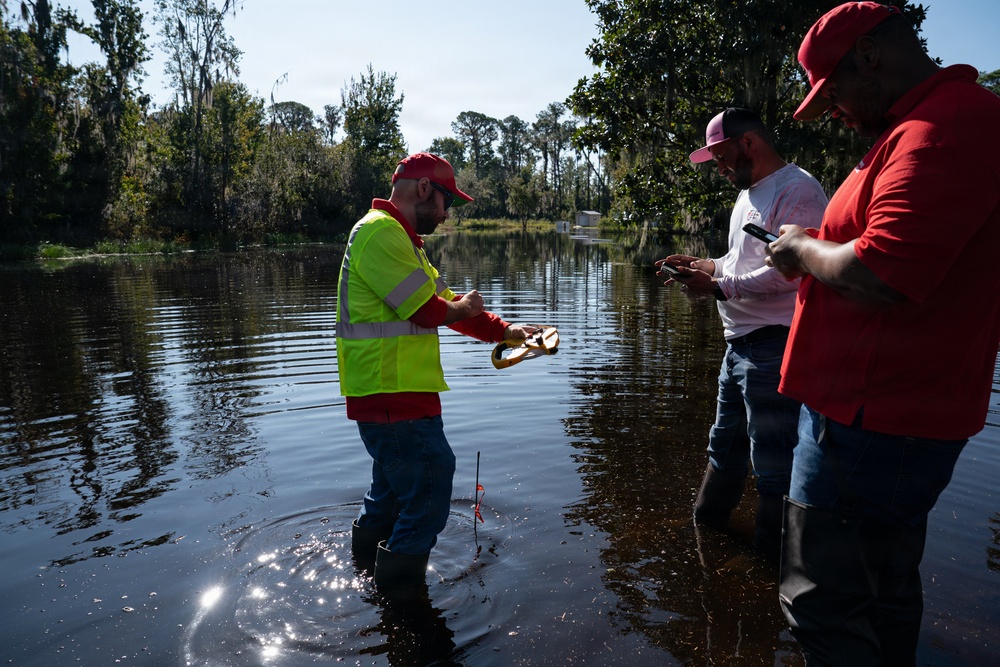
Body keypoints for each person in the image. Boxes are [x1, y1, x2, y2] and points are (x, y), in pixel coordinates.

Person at [766, 3, 1000, 665]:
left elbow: (879, 272)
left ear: (869, 54)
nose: (833, 108)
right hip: (873, 415)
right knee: (881, 590)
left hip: (870, 419)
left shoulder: (944, 127)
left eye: (832, 89)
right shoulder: (918, 128)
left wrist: (803, 249)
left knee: (824, 604)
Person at [336, 152, 534, 589]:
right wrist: (459, 307)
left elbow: (450, 308)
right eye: (448, 202)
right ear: (425, 189)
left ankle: (365, 580)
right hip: (393, 397)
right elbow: (430, 311)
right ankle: (401, 602)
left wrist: (508, 331)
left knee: (389, 497)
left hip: (392, 397)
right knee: (429, 492)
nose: (447, 215)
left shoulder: (402, 241)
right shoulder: (380, 234)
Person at [659, 108, 827, 559]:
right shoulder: (749, 193)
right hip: (739, 348)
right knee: (724, 447)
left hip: (774, 345)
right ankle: (707, 538)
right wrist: (706, 266)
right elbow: (743, 262)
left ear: (748, 142)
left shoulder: (799, 191)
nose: (719, 167)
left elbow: (791, 275)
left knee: (773, 466)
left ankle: (770, 568)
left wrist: (717, 286)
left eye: (721, 155)